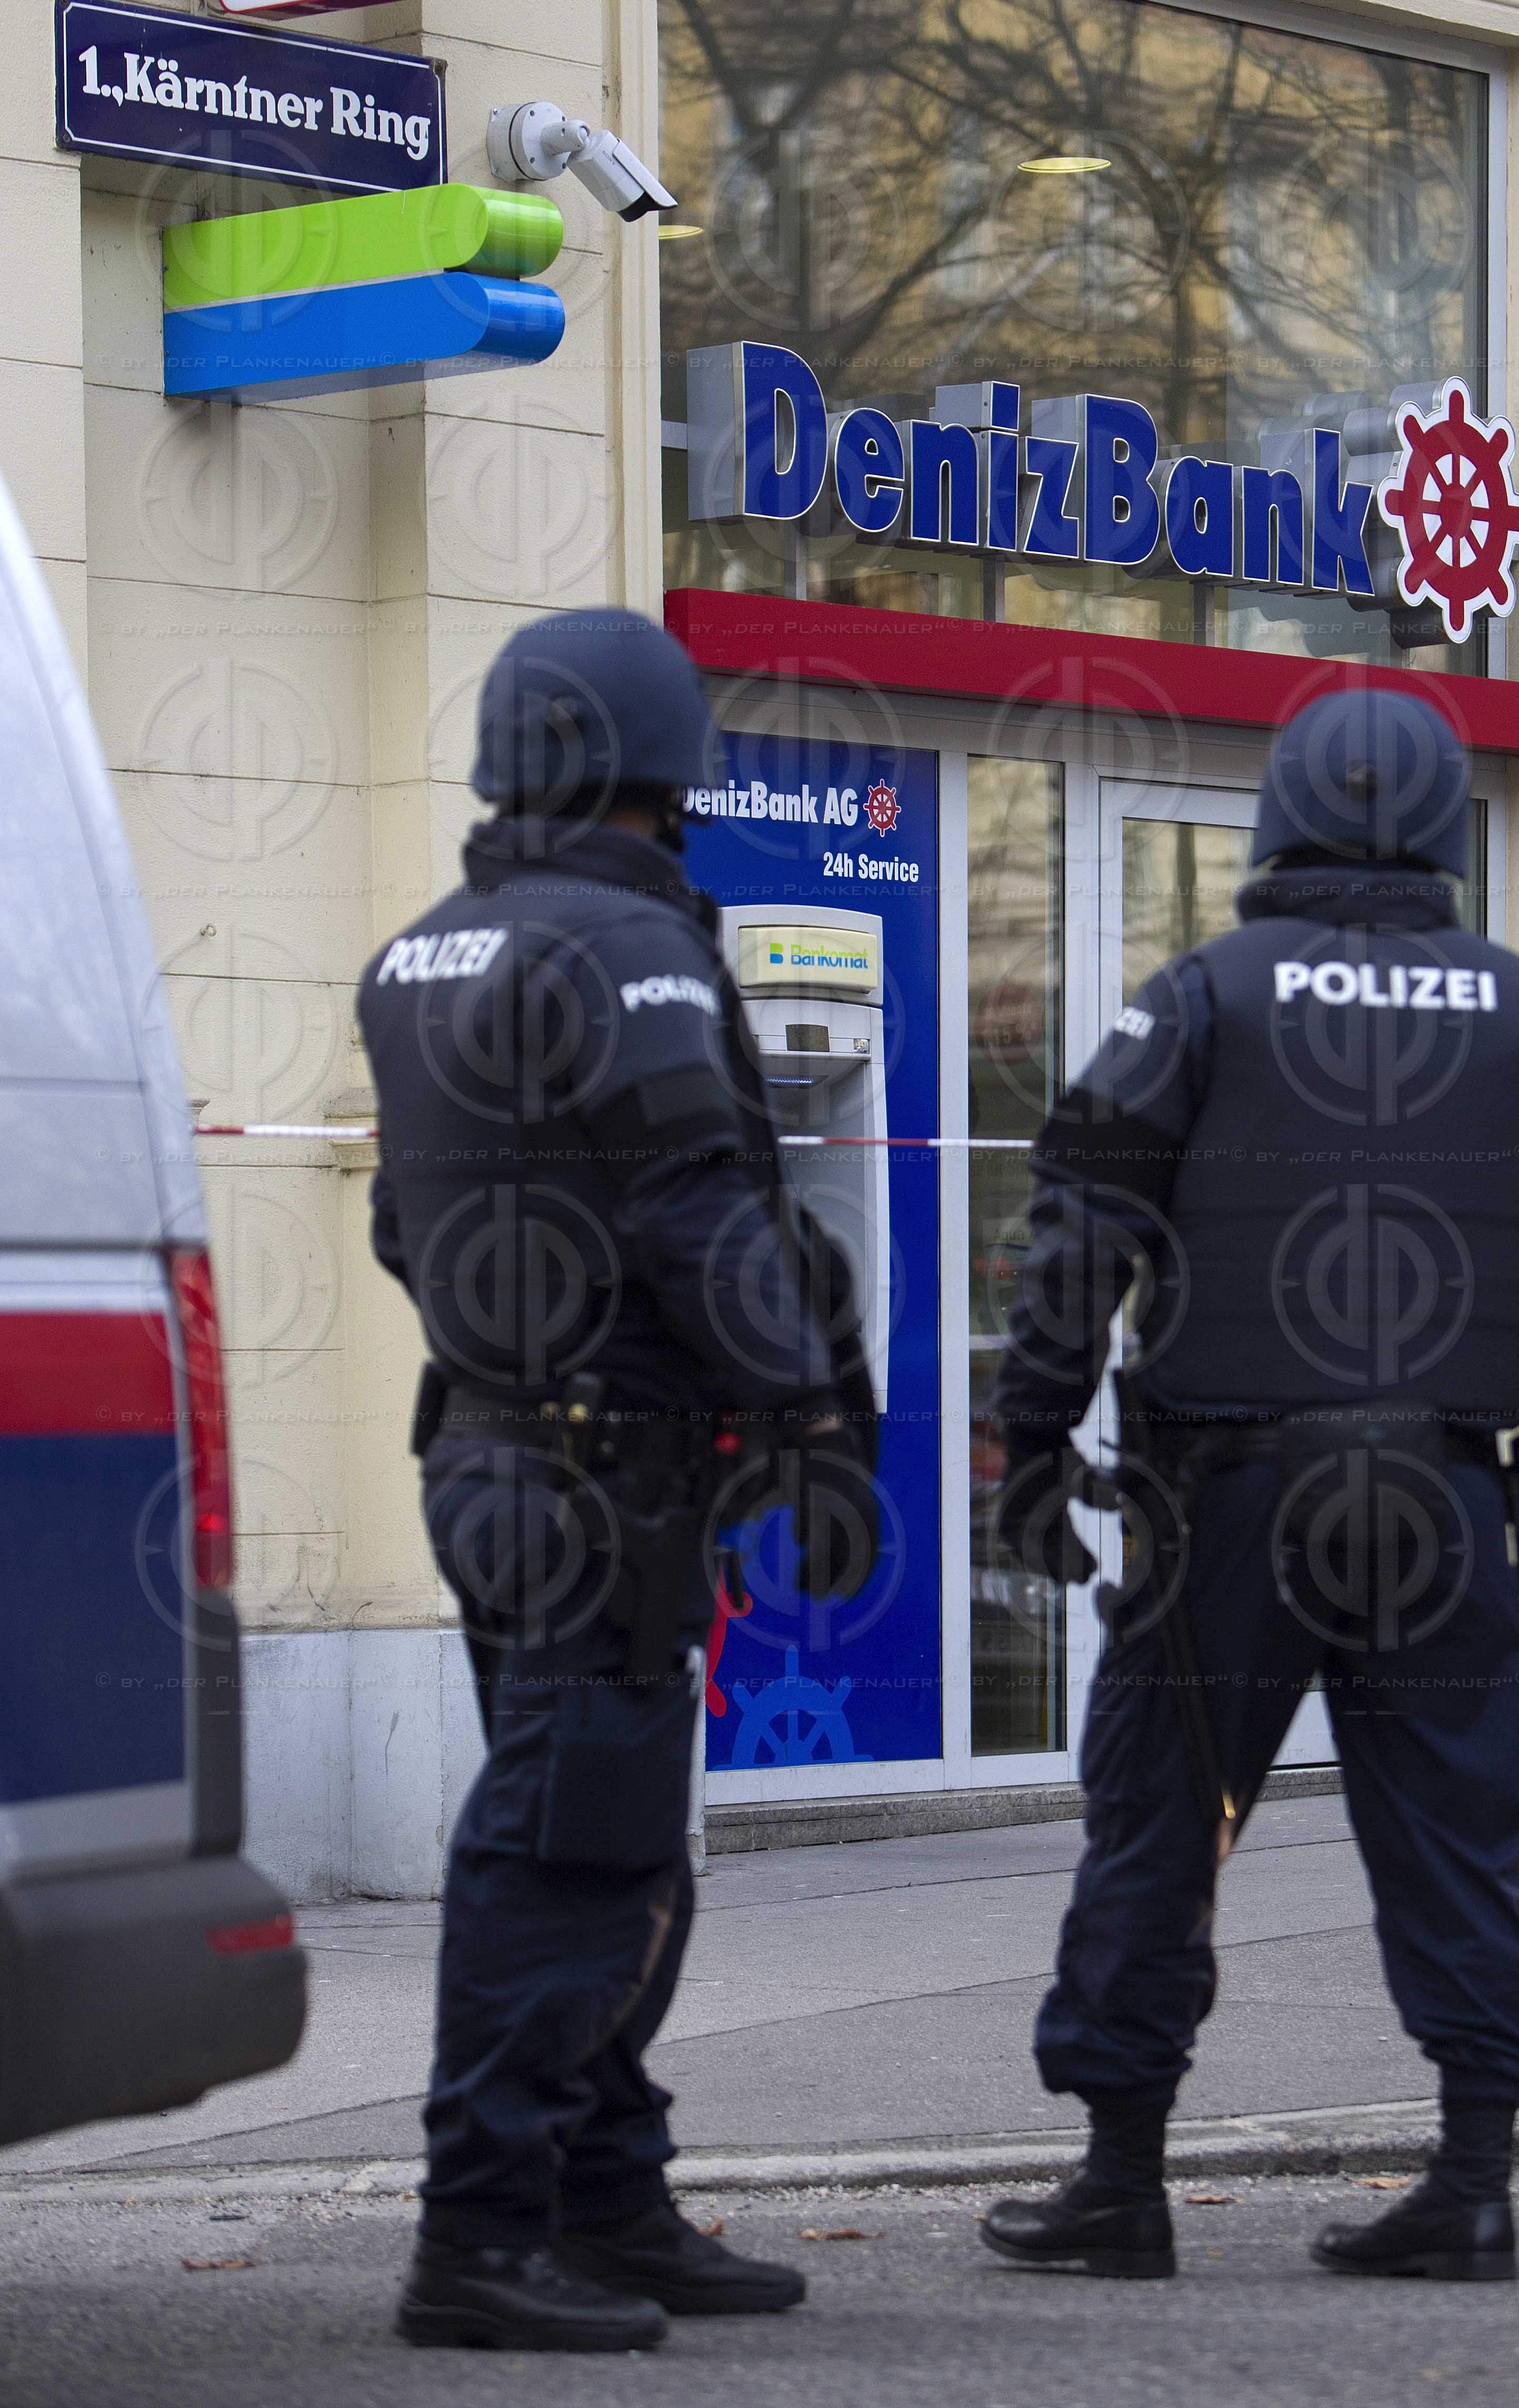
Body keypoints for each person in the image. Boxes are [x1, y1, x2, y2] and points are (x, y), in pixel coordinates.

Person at [978, 685, 1519, 2288]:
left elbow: (1081, 1221)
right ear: (1441, 830)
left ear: (1278, 819)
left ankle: (1122, 2183)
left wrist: (1031, 1440)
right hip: (1443, 1495)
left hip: (1229, 1492)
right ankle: (1475, 2183)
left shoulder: (1201, 995)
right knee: (1464, 1823)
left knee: (1162, 1819)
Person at [358, 608, 876, 2354]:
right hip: (606, 1478)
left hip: (491, 1451)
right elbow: (702, 1214)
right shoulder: (636, 956)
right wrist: (807, 1420)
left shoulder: (422, 953)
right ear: (659, 772)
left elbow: (392, 1230)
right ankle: (482, 2235)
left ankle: (609, 2196)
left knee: (602, 1836)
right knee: (573, 1856)